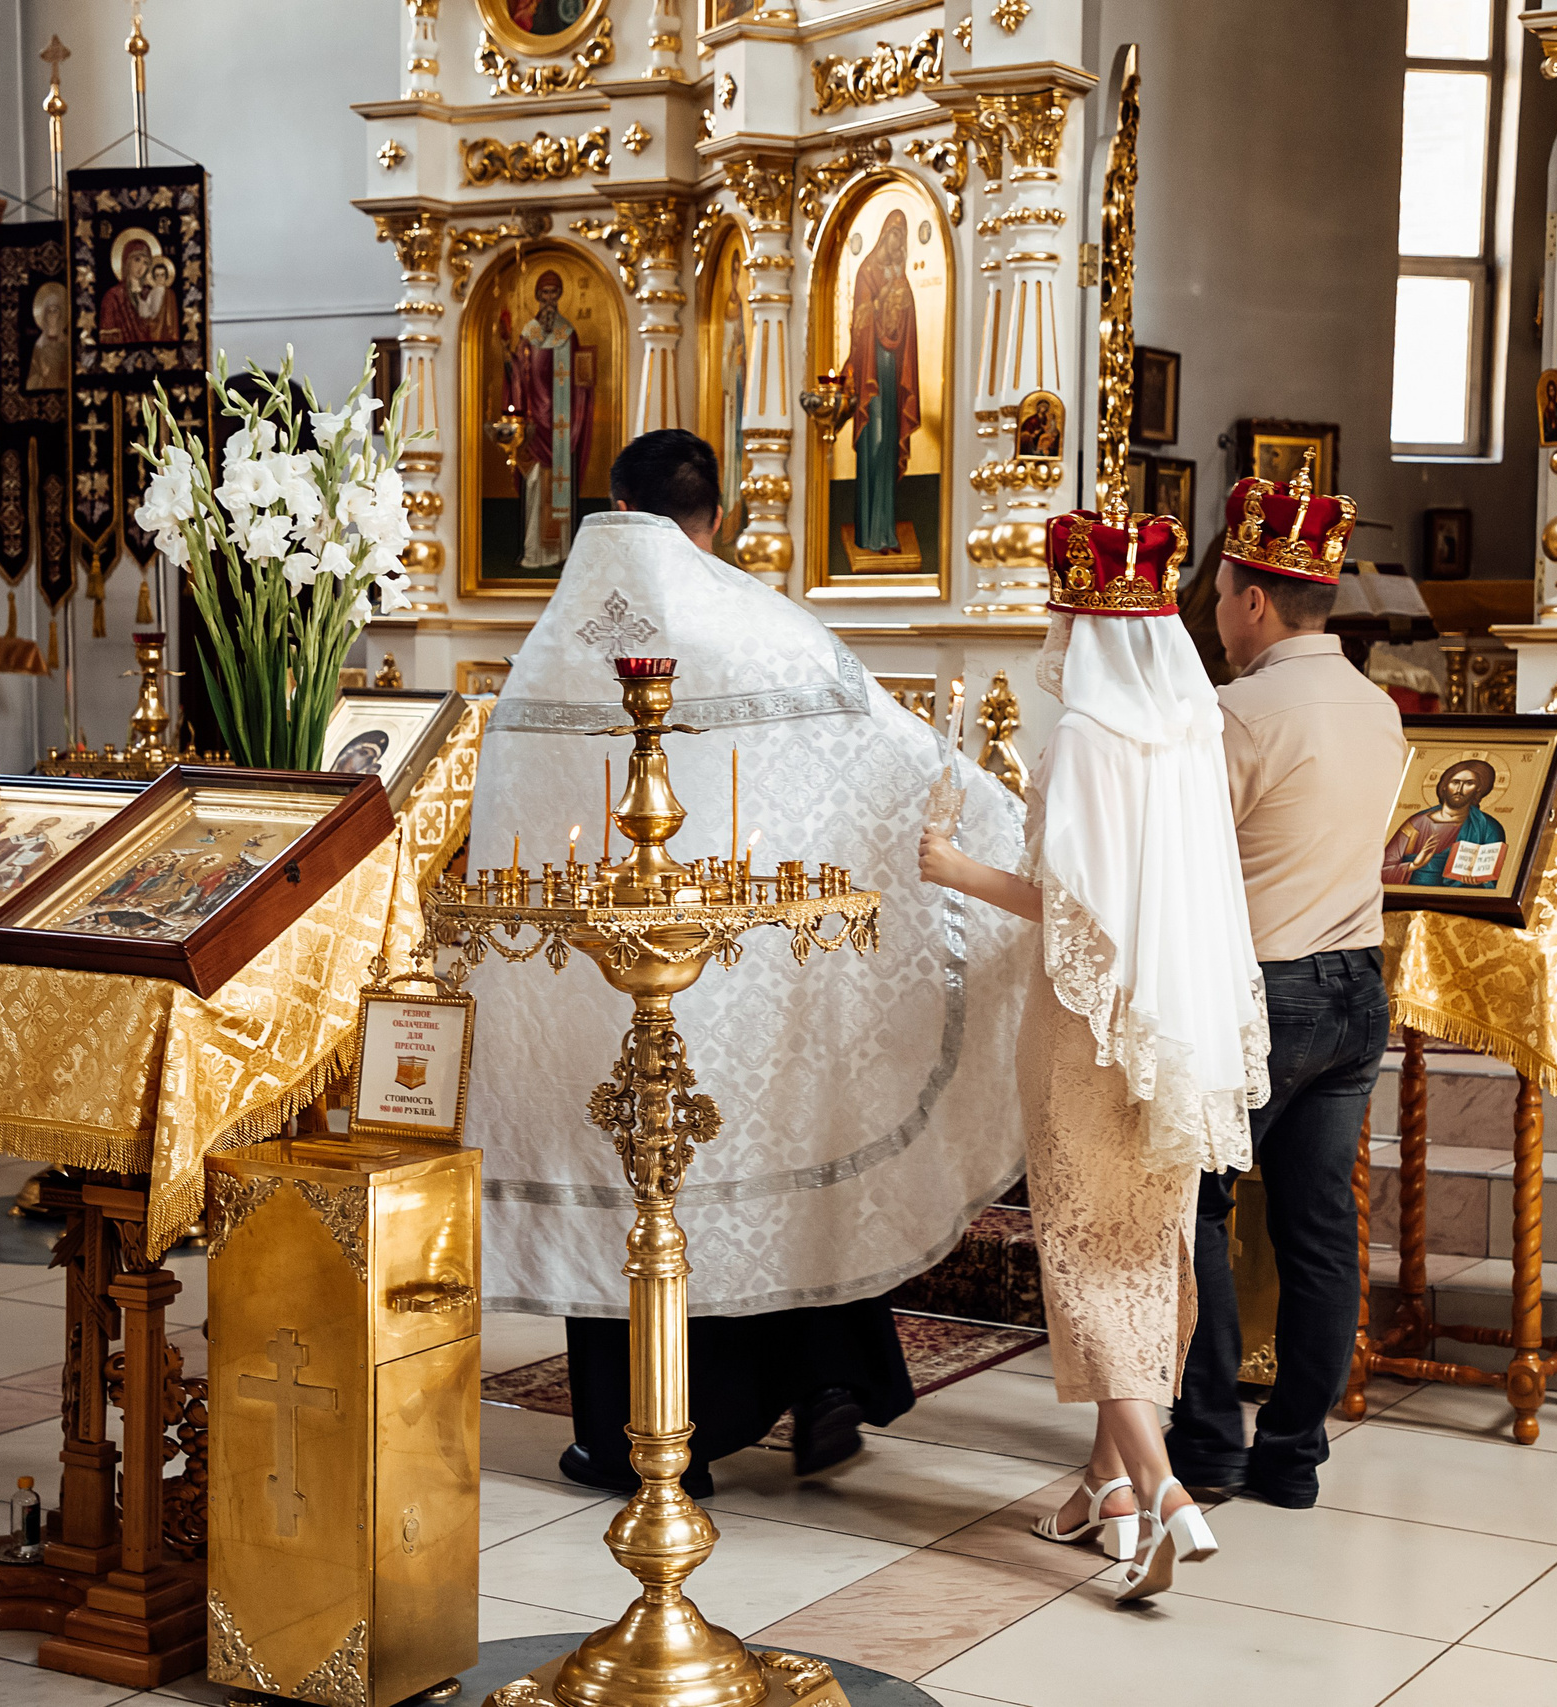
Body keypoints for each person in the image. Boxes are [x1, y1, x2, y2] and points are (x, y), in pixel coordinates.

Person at [467, 427, 1032, 1497]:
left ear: (615, 508)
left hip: (600, 972)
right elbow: (890, 760)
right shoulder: (766, 632)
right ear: (712, 519)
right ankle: (822, 1385)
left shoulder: (552, 643)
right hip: (752, 964)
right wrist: (1011, 838)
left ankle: (644, 1431)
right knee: (795, 1148)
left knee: (628, 1165)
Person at [919, 506, 1272, 1603]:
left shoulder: (1082, 736)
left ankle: (1161, 1487)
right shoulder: (1194, 723)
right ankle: (1105, 1490)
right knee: (1149, 1248)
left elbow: (1076, 914)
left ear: (1080, 626)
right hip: (1184, 1022)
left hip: (1085, 1025)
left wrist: (952, 867)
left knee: (1081, 1251)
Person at [1166, 450, 1405, 1509]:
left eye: (1218, 594)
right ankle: (1293, 1455)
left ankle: (1209, 1443)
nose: (1214, 614)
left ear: (1253, 600)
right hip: (1358, 991)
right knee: (1317, 1232)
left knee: (1199, 1210)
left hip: (1266, 993)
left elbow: (1179, 865)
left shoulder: (1237, 717)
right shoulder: (1377, 706)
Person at [501, 270, 595, 568]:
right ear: (538, 297)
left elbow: (581, 379)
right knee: (534, 484)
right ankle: (534, 552)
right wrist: (508, 356)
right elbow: (518, 372)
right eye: (545, 293)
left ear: (559, 296)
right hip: (533, 421)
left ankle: (558, 553)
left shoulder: (568, 333)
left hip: (562, 422)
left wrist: (582, 390)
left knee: (560, 486)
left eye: (555, 293)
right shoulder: (529, 333)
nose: (549, 299)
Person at [844, 209, 919, 559]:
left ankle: (885, 531)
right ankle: (868, 531)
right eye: (894, 235)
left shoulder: (902, 279)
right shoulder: (867, 273)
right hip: (871, 372)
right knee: (872, 443)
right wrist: (879, 303)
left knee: (888, 446)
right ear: (884, 236)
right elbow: (860, 323)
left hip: (892, 373)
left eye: (902, 238)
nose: (898, 243)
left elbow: (908, 332)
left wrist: (900, 304)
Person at [1381, 759, 1506, 886]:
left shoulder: (1488, 828)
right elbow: (1381, 872)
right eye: (1455, 782)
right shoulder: (1416, 824)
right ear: (1445, 786)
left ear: (1478, 789)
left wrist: (1477, 883)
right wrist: (1413, 865)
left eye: (1469, 783)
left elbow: (1491, 882)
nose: (1460, 789)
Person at [98, 231, 179, 346]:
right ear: (126, 261)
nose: (141, 267)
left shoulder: (152, 292)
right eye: (137, 260)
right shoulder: (113, 296)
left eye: (146, 262)